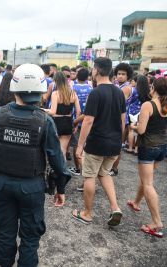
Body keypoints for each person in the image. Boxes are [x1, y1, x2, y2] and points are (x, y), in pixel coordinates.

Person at [0, 64, 70, 267]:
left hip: (3, 184)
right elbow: (57, 160)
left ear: (14, 88)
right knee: (30, 238)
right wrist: (60, 188)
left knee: (5, 234)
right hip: (32, 187)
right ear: (41, 90)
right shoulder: (44, 121)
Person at [73, 57, 126, 226]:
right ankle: (115, 207)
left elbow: (88, 121)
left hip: (97, 143)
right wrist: (119, 142)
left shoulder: (95, 93)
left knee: (90, 176)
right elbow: (122, 120)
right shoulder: (119, 92)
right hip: (114, 142)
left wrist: (80, 145)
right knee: (104, 173)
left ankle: (87, 213)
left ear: (96, 70)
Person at [127, 77, 167, 238]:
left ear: (154, 88)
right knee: (146, 179)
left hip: (148, 147)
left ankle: (156, 222)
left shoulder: (148, 105)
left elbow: (141, 130)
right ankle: (136, 202)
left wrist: (132, 126)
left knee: (148, 183)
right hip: (162, 147)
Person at [45, 72, 81, 159]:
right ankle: (62, 170)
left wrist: (43, 110)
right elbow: (79, 111)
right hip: (68, 122)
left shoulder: (55, 94)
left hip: (56, 123)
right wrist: (75, 125)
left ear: (56, 81)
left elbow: (53, 111)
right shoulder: (73, 93)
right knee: (63, 151)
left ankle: (54, 170)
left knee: (54, 149)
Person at [109, 62, 134, 176]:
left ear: (128, 76)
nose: (120, 76)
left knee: (117, 145)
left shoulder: (126, 88)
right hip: (116, 119)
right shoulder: (118, 85)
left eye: (123, 74)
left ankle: (114, 168)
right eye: (118, 73)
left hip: (121, 121)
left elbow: (115, 103)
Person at [69, 68, 92, 180]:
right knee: (86, 144)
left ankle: (78, 168)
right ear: (88, 77)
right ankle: (87, 167)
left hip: (75, 119)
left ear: (77, 76)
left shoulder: (72, 88)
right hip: (89, 118)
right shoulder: (91, 88)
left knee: (77, 144)